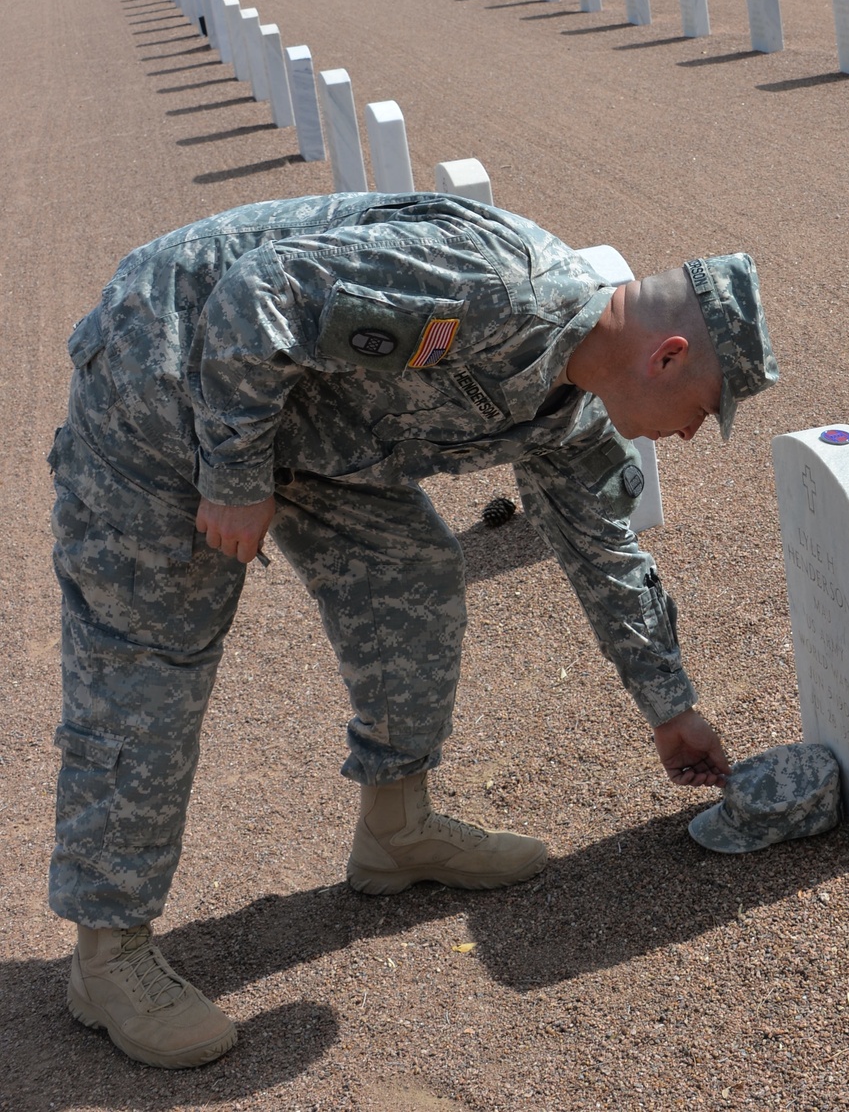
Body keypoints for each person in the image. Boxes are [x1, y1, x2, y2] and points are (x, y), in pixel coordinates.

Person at [48, 192, 778, 1070]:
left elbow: (603, 550)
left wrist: (671, 708)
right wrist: (235, 472)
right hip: (167, 377)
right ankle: (109, 953)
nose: (693, 433)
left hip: (316, 421)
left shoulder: (574, 396)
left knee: (413, 581)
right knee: (152, 656)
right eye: (703, 408)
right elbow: (257, 294)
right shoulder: (501, 287)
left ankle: (396, 829)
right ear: (667, 356)